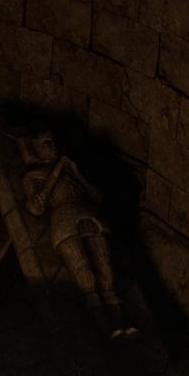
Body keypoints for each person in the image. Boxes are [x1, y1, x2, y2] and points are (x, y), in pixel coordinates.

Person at [18, 130, 137, 339]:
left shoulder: (71, 168)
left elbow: (97, 197)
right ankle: (106, 331)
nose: (52, 146)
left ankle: (121, 324)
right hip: (64, 221)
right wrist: (56, 172)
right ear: (36, 149)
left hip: (89, 214)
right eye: (46, 143)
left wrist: (75, 171)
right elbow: (35, 208)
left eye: (53, 142)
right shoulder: (32, 176)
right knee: (85, 275)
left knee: (106, 271)